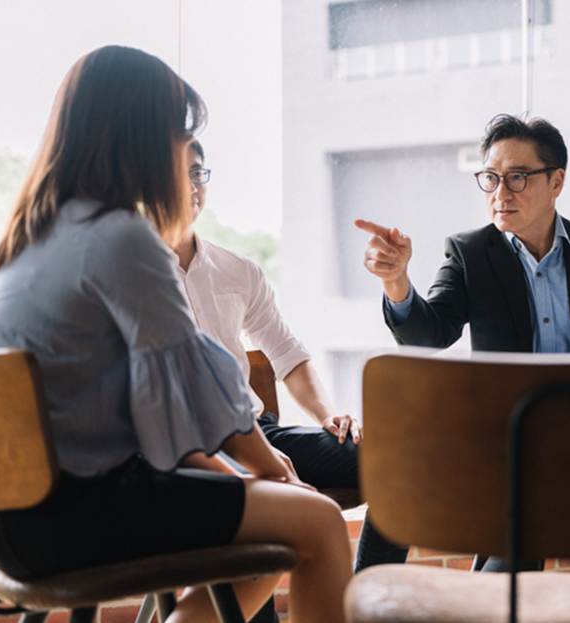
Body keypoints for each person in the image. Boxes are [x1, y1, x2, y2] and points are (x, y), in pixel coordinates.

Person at [0, 46, 351, 623]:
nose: (186, 150)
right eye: (181, 134)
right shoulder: (120, 239)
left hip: (17, 523)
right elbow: (195, 389)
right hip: (84, 514)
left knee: (290, 514)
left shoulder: (24, 245)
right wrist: (272, 468)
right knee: (319, 522)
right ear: (140, 136)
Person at [357, 113, 570, 571]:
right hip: (509, 443)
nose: (500, 194)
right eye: (490, 178)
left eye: (518, 178)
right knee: (400, 474)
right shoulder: (470, 253)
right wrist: (398, 283)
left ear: (556, 181)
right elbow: (429, 333)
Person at [171, 140, 407, 622]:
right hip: (187, 449)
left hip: (258, 431)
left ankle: (361, 604)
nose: (193, 187)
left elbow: (287, 355)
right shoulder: (134, 273)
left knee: (394, 464)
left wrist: (327, 414)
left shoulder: (237, 271)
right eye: (179, 174)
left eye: (199, 173)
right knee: (266, 518)